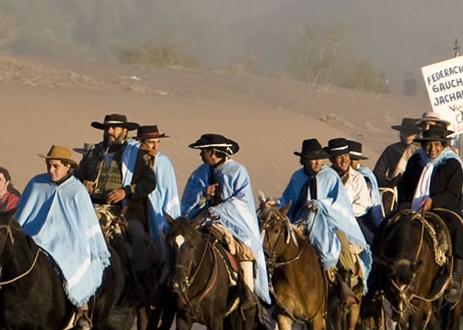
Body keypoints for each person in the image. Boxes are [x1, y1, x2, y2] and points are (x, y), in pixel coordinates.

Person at [14, 145, 111, 325]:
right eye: (48, 165)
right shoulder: (36, 184)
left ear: (67, 166)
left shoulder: (77, 190)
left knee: (75, 259)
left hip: (68, 244)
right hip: (34, 240)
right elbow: (21, 216)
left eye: (55, 166)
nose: (51, 170)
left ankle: (81, 308)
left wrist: (93, 246)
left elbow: (87, 224)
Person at [272, 139, 371, 298]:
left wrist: (320, 204)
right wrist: (275, 202)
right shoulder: (297, 176)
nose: (317, 162)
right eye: (313, 158)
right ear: (304, 160)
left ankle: (342, 286)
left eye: (320, 158)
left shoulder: (330, 176)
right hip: (299, 220)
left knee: (343, 247)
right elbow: (289, 198)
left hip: (328, 221)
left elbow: (338, 202)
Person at [180, 134, 269, 303]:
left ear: (213, 152)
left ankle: (248, 295)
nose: (200, 155)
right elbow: (187, 199)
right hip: (203, 219)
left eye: (202, 151)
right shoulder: (199, 173)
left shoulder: (237, 171)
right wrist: (203, 194)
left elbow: (242, 201)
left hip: (234, 224)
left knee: (244, 251)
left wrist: (219, 210)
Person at [398, 127, 463, 296]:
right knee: (389, 225)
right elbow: (403, 185)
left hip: (442, 208)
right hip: (413, 208)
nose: (432, 149)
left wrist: (433, 201)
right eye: (428, 145)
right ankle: (379, 273)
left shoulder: (452, 163)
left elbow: (453, 192)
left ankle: (455, 276)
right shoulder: (415, 161)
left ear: (442, 145)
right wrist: (403, 202)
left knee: (458, 229)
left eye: (436, 145)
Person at [127, 125, 183, 243]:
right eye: (151, 142)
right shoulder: (131, 159)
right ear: (140, 142)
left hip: (156, 214)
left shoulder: (163, 162)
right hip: (133, 211)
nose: (155, 146)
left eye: (158, 142)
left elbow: (169, 193)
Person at [76, 113, 140, 215]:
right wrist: (82, 184)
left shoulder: (133, 154)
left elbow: (145, 183)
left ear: (125, 131)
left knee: (137, 230)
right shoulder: (93, 152)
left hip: (122, 209)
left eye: (114, 128)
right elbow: (77, 177)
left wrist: (125, 192)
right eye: (106, 128)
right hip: (89, 207)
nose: (109, 131)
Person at [330, 138, 384, 244]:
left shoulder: (359, 178)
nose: (345, 160)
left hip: (353, 220)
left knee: (371, 244)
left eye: (346, 156)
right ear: (332, 159)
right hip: (328, 219)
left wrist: (341, 211)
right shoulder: (325, 177)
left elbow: (363, 205)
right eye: (339, 157)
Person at [376, 118, 423, 188]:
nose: (407, 135)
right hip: (395, 189)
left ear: (416, 134)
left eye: (411, 132)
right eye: (405, 132)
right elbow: (378, 172)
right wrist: (389, 182)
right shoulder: (392, 149)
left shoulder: (422, 151)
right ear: (401, 132)